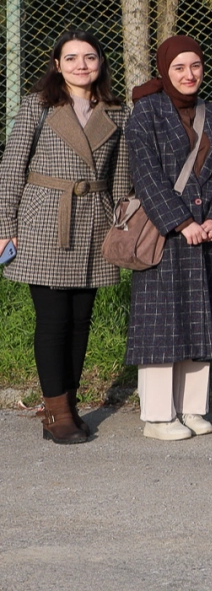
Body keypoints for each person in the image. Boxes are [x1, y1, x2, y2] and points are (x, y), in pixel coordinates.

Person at [0, 30, 129, 444]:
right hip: (44, 220)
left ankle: (67, 405)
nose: (81, 65)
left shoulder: (117, 112)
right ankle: (56, 413)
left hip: (95, 221)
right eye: (71, 58)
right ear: (57, 65)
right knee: (54, 321)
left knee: (81, 321)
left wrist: (121, 226)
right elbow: (10, 169)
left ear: (101, 63)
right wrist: (4, 227)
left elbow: (121, 177)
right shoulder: (36, 106)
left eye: (89, 57)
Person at [124, 35, 212, 441]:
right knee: (160, 323)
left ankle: (191, 409)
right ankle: (156, 416)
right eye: (179, 68)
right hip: (165, 234)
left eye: (196, 66)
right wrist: (182, 221)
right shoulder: (146, 113)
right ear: (165, 71)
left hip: (208, 235)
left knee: (201, 320)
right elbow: (146, 175)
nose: (189, 75)